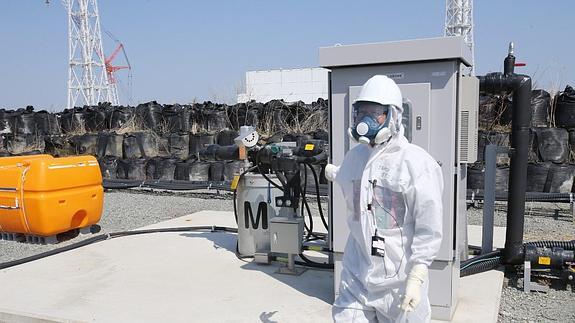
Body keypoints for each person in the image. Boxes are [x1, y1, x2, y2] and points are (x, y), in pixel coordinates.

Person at [326, 75, 444, 322]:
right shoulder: (354, 157)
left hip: (400, 280)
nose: (365, 120)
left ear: (394, 116)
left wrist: (417, 274)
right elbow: (353, 191)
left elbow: (429, 226)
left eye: (375, 113)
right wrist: (334, 172)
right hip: (358, 273)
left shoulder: (416, 163)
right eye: (361, 112)